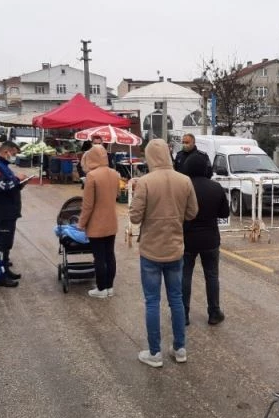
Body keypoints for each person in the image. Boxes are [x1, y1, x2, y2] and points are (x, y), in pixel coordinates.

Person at [129, 139, 198, 367]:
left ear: (150, 157)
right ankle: (180, 348)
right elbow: (192, 213)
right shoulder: (184, 180)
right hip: (175, 248)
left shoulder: (145, 182)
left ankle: (155, 352)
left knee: (152, 301)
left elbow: (135, 217)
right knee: (176, 300)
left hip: (151, 250)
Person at [181, 151, 230, 326]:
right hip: (210, 239)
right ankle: (214, 312)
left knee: (185, 276)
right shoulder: (215, 187)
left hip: (187, 239)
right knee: (212, 276)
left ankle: (183, 314)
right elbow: (224, 213)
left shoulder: (183, 187)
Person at [77, 145, 121, 298]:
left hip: (96, 224)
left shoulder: (92, 176)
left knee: (99, 257)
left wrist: (81, 223)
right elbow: (117, 194)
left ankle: (100, 288)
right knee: (110, 255)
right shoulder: (115, 173)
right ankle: (109, 287)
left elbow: (88, 205)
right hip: (111, 221)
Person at [0, 141, 27, 288]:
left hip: (9, 211)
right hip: (2, 212)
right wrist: (17, 179)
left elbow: (10, 186)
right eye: (13, 154)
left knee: (7, 245)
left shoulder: (3, 165)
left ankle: (6, 270)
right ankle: (0, 276)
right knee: (2, 246)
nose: (14, 157)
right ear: (6, 152)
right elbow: (1, 186)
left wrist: (21, 183)